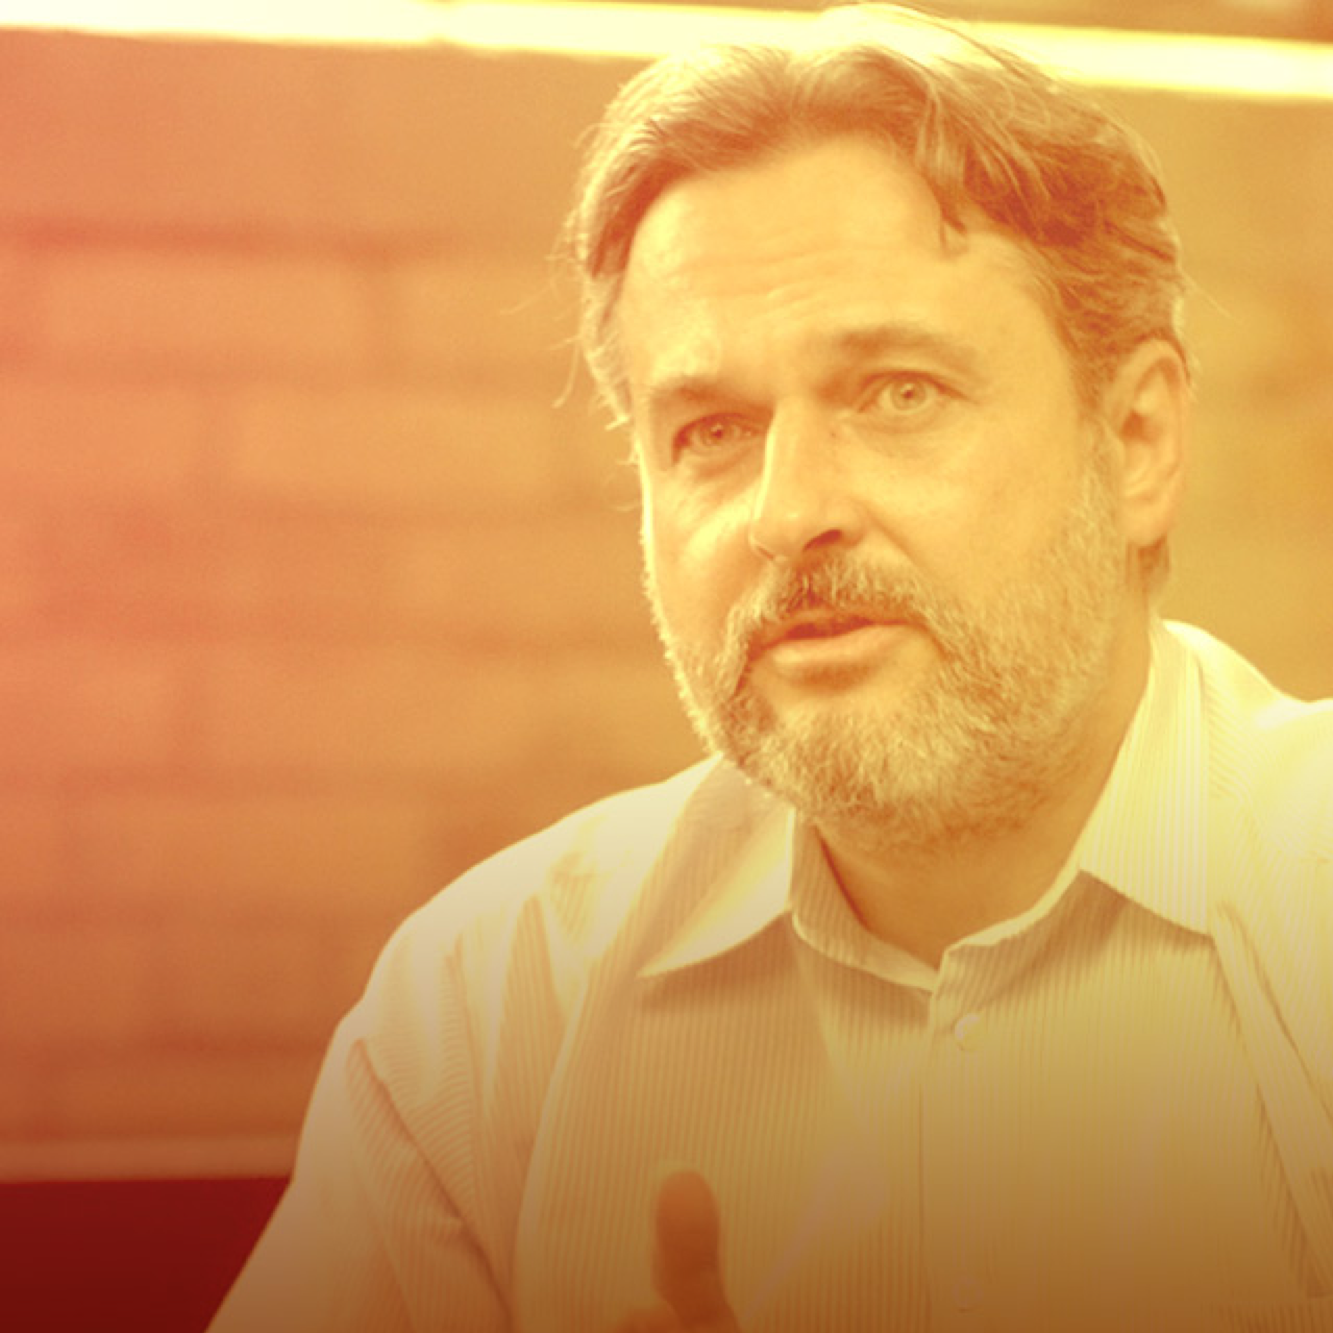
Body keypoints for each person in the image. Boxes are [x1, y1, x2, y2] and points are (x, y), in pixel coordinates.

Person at [208, 6, 1333, 1331]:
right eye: (711, 431)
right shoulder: (486, 1019)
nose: (787, 512)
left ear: (1137, 442)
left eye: (898, 392)